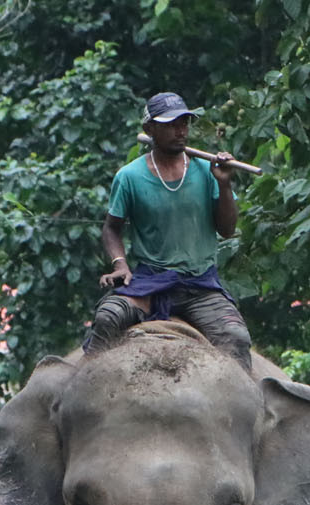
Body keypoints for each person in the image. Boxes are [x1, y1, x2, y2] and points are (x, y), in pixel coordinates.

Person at [83, 91, 254, 371]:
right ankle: (84, 387)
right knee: (107, 318)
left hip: (200, 285)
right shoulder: (129, 176)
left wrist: (223, 185)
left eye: (184, 123)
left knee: (236, 338)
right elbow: (112, 228)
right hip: (150, 281)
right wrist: (120, 265)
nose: (181, 131)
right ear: (149, 129)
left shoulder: (205, 171)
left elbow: (227, 230)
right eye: (171, 124)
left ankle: (253, 411)